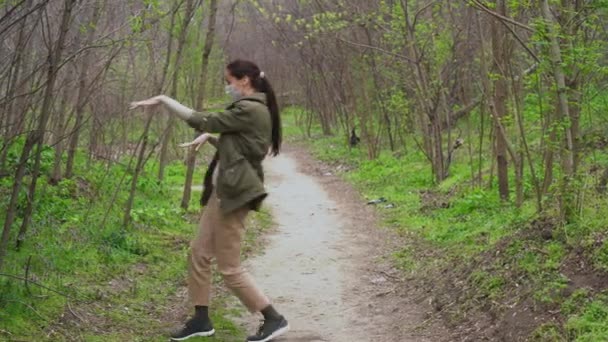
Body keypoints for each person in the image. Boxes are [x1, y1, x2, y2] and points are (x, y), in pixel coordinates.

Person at [130, 59, 289, 342]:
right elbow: (243, 147)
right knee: (199, 253)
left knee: (229, 268)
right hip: (223, 194)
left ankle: (273, 318)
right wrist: (212, 138)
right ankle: (201, 319)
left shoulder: (251, 109)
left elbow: (204, 118)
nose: (227, 87)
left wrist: (165, 100)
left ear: (244, 81)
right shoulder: (250, 109)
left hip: (235, 196)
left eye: (229, 81)